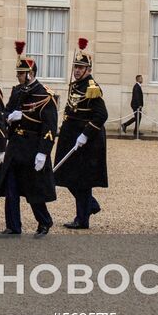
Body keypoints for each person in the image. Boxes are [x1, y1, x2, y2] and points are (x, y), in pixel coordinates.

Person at [0, 41, 56, 236]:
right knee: (11, 188)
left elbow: (49, 127)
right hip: (16, 146)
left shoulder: (44, 95)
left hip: (32, 146)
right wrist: (8, 117)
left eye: (21, 73)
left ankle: (44, 221)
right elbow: (6, 112)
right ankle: (13, 226)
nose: (18, 77)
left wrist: (43, 152)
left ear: (30, 73)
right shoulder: (17, 91)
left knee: (34, 189)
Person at [57, 37, 108, 230]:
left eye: (81, 67)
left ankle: (82, 218)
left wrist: (86, 134)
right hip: (71, 136)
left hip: (86, 141)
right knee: (67, 176)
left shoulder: (91, 87)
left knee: (82, 181)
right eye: (76, 66)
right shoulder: (76, 85)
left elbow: (101, 115)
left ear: (88, 69)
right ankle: (91, 205)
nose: (77, 70)